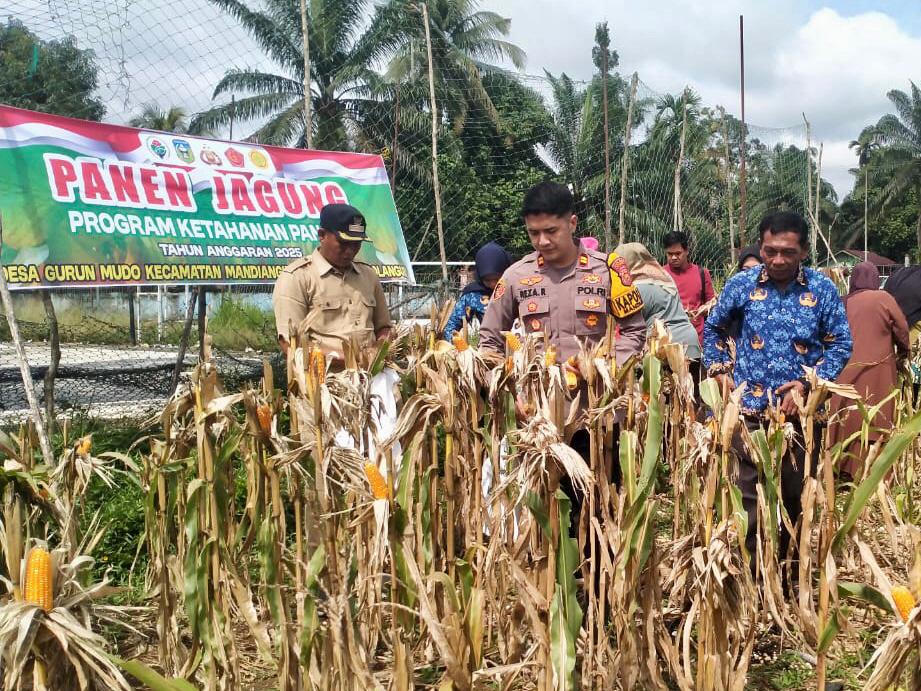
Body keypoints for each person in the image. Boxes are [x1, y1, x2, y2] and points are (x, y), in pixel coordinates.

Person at [479, 181, 647, 527]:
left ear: (572, 223)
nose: (542, 241)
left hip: (595, 417)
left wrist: (602, 368)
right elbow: (489, 341)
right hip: (538, 419)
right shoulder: (516, 276)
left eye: (551, 231)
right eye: (534, 233)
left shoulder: (609, 270)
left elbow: (635, 330)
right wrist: (509, 395)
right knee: (543, 514)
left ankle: (595, 561)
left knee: (596, 511)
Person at [704, 211, 852, 580]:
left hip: (800, 420)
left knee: (793, 502)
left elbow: (840, 345)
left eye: (788, 252)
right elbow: (713, 329)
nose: (778, 260)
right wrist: (719, 370)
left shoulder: (821, 290)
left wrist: (807, 384)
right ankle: (750, 582)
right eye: (770, 251)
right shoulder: (742, 285)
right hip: (749, 415)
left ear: (804, 251)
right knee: (747, 504)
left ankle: (787, 582)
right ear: (761, 246)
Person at [272, 203, 392, 360]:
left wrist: (379, 350)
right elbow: (290, 343)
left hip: (371, 370)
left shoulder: (368, 275)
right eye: (343, 243)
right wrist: (349, 360)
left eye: (356, 243)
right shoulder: (297, 277)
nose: (350, 250)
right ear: (322, 235)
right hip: (325, 374)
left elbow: (384, 327)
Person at [828, 262, 909, 479]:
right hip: (879, 370)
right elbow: (902, 329)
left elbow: (828, 334)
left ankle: (842, 469)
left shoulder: (843, 301)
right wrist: (904, 353)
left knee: (846, 417)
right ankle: (874, 472)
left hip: (847, 370)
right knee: (876, 417)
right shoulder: (883, 298)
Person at [615, 242, 702, 370]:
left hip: (663, 350)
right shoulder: (664, 278)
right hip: (689, 343)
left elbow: (629, 329)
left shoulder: (634, 289)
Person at [444, 241, 512, 340]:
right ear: (480, 276)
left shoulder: (514, 289)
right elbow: (452, 326)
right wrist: (456, 344)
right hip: (488, 345)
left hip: (520, 346)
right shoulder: (473, 295)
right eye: (487, 280)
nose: (493, 284)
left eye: (497, 279)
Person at [662, 231, 715, 348]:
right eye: (670, 254)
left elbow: (711, 303)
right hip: (668, 342)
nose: (674, 257)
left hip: (697, 340)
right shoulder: (660, 275)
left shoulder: (702, 273)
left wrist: (701, 311)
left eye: (678, 253)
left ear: (687, 251)